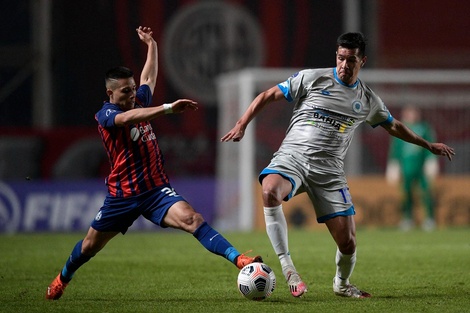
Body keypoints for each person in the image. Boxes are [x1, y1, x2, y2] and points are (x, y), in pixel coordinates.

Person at [221, 32, 455, 298]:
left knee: (348, 242)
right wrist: (242, 123)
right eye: (341, 58)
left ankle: (342, 285)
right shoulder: (313, 78)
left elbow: (395, 127)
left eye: (351, 60)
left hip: (329, 173)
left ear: (362, 61)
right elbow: (268, 95)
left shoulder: (367, 100)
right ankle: (288, 270)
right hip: (292, 157)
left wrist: (427, 145)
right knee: (269, 190)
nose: (344, 64)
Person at [46, 26, 261, 300]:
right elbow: (128, 120)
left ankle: (240, 259)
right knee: (89, 247)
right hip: (122, 196)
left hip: (155, 190)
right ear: (110, 93)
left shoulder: (137, 101)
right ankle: (62, 278)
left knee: (192, 218)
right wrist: (168, 108)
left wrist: (152, 45)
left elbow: (148, 76)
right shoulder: (107, 114)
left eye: (133, 89)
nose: (132, 95)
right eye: (125, 91)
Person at [386, 106, 439, 231]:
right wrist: (393, 165)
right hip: (406, 169)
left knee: (426, 192)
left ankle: (430, 219)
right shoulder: (398, 129)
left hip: (421, 168)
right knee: (406, 194)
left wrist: (431, 160)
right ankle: (407, 218)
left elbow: (430, 144)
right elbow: (396, 149)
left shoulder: (424, 128)